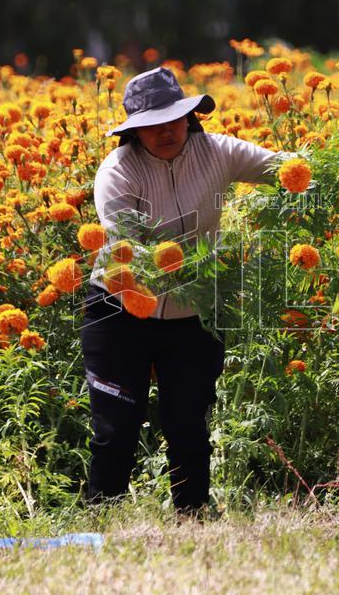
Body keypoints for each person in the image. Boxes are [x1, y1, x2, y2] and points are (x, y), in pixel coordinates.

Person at [81, 66, 286, 513]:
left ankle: (193, 517)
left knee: (188, 424)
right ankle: (103, 521)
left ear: (190, 117)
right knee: (116, 428)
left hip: (193, 312)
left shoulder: (218, 152)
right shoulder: (118, 171)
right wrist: (209, 265)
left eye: (172, 119)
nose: (165, 131)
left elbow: (285, 167)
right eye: (151, 125)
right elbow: (132, 246)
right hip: (120, 309)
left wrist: (335, 172)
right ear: (135, 131)